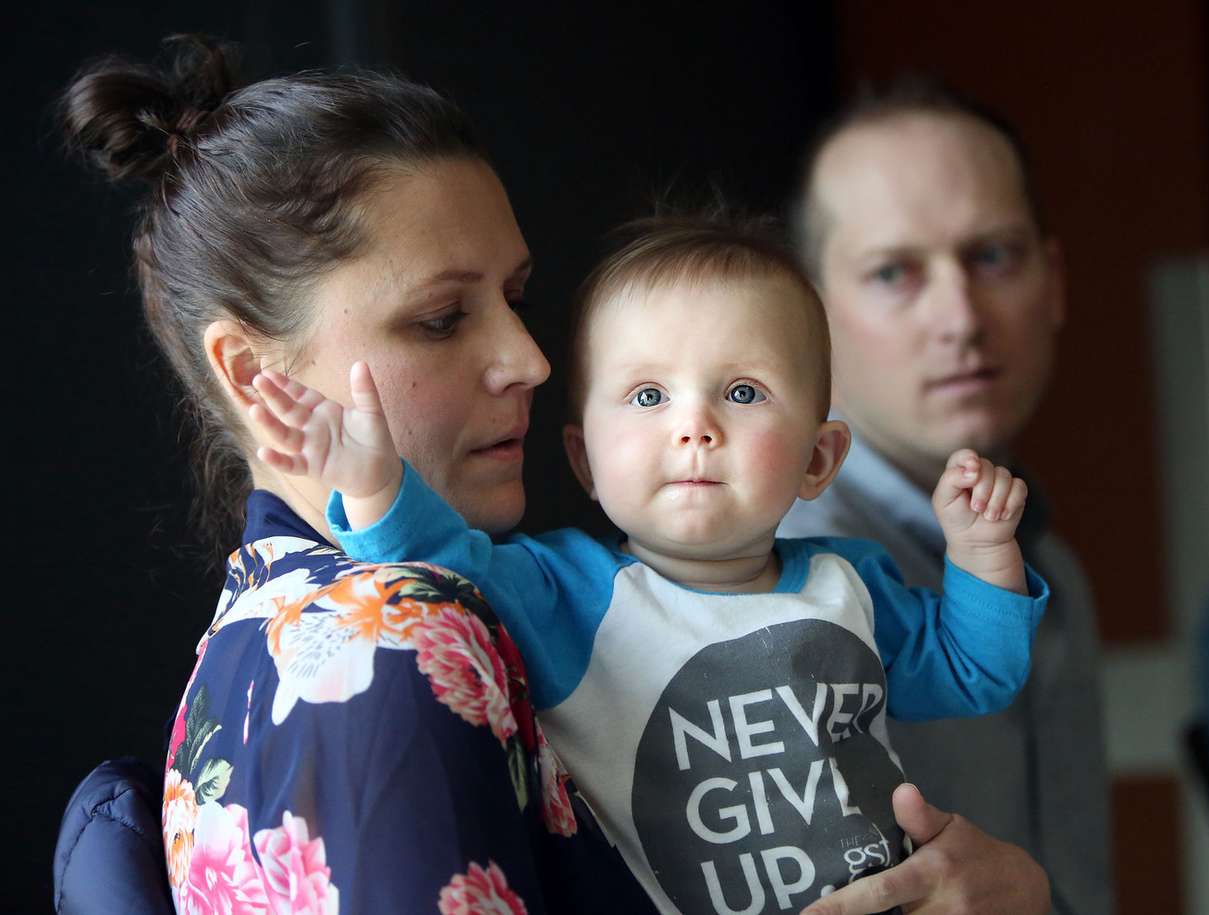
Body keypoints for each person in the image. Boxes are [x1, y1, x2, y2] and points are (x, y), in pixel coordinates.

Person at [58, 35, 1054, 915]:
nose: (532, 360)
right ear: (251, 370)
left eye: (518, 298)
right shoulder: (394, 648)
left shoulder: (280, 645)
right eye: (441, 318)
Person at [245, 214, 1048, 913]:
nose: (693, 426)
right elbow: (433, 565)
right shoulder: (565, 593)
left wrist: (981, 553)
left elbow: (977, 668)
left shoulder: (851, 583)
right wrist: (375, 482)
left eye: (741, 392)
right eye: (647, 397)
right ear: (585, 461)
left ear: (818, 458)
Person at [779, 78, 1112, 914]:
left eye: (993, 255)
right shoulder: (782, 581)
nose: (960, 316)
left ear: (1055, 280)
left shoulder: (1053, 571)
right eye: (894, 271)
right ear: (806, 318)